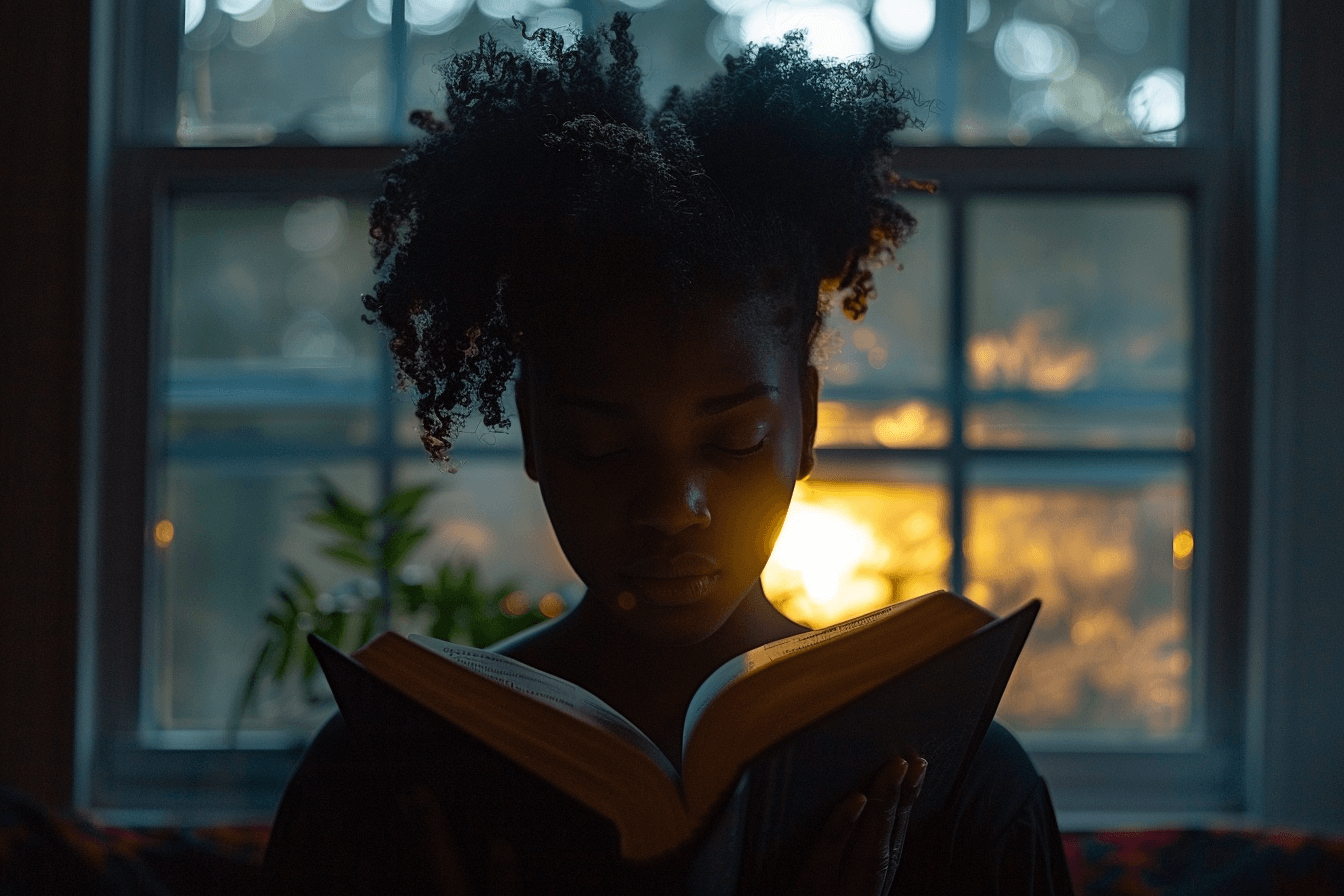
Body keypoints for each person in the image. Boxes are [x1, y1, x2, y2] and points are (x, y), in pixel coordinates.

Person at [264, 15, 1074, 895]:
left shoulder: (961, 790)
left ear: (804, 417)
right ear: (536, 433)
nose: (671, 505)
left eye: (735, 440)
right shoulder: (380, 778)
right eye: (602, 446)